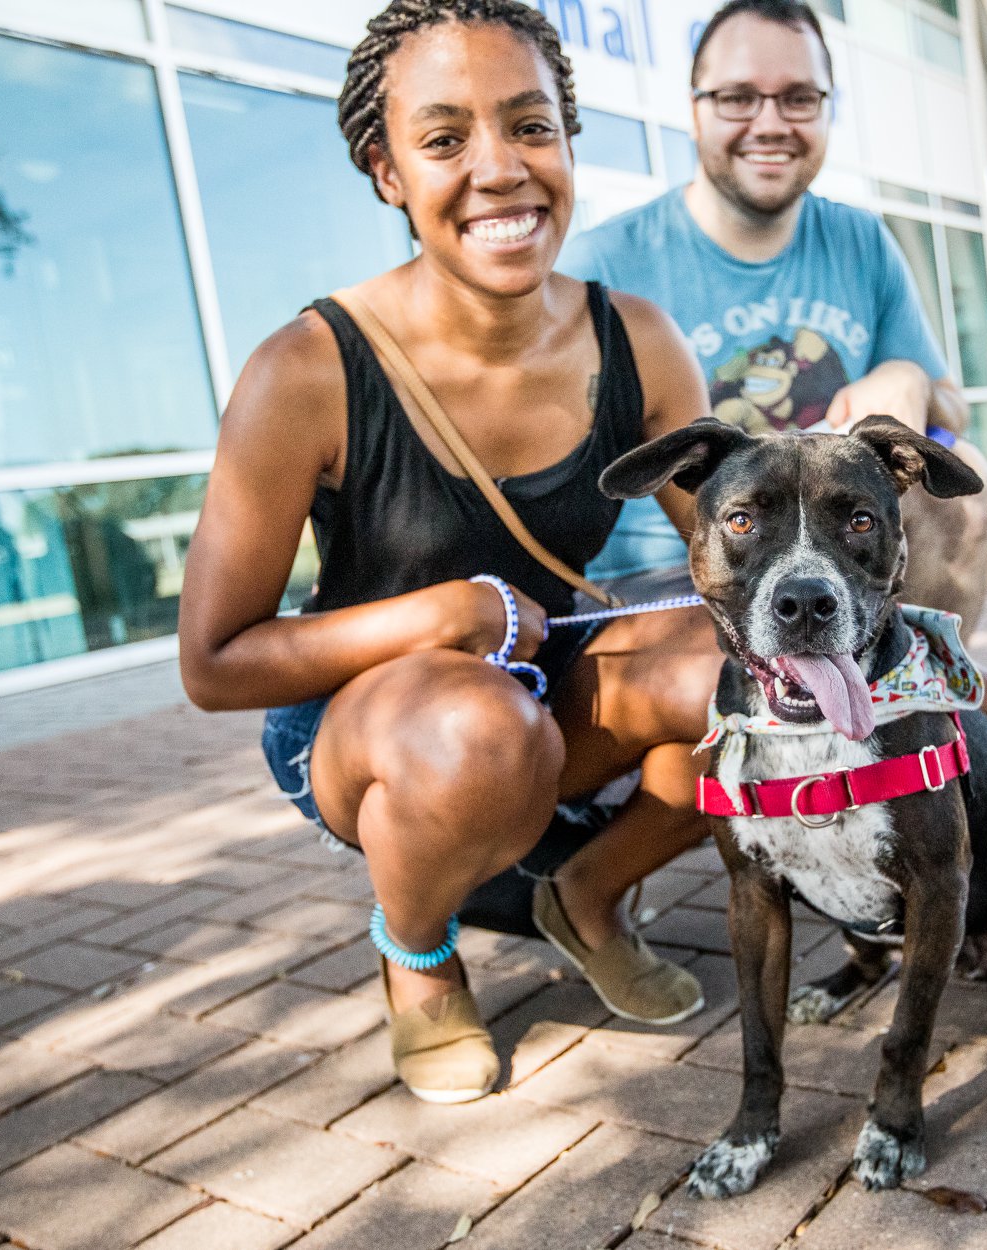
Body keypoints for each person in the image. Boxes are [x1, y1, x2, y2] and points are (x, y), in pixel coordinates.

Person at [178, 0, 722, 1104]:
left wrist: (941, 674)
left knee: (741, 676)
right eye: (444, 139)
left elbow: (737, 559)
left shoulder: (640, 341)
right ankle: (417, 950)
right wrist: (438, 617)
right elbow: (214, 662)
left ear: (569, 141)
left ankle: (587, 892)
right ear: (386, 172)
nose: (499, 170)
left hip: (543, 693)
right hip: (367, 725)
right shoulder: (307, 367)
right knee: (479, 729)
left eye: (530, 127)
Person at [561, 0, 987, 768]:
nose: (769, 121)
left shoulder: (857, 240)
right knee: (725, 678)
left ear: (825, 109)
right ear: (693, 110)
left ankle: (897, 721)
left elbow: (949, 407)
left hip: (820, 556)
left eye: (797, 98)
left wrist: (906, 377)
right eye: (736, 97)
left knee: (967, 489)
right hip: (663, 579)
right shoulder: (605, 261)